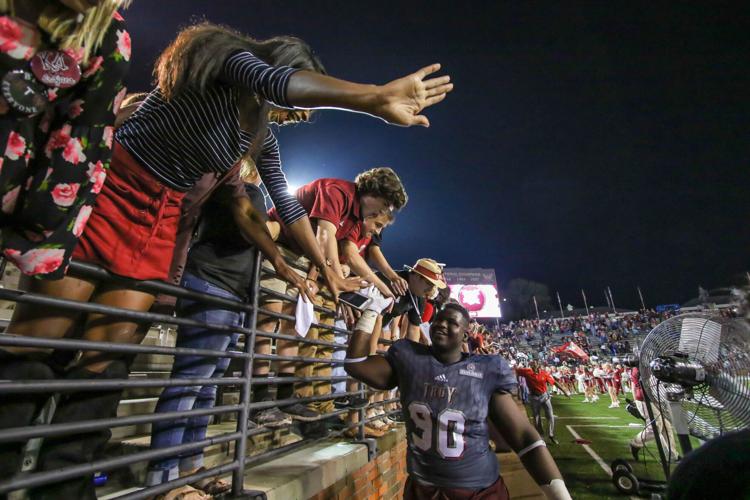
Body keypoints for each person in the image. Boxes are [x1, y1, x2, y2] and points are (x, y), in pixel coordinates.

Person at [1, 21, 452, 495]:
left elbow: (286, 203)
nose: (290, 110)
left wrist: (323, 271)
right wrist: (374, 97)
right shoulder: (224, 56)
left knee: (107, 352)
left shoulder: (258, 135)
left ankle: (64, 485)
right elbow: (279, 83)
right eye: (296, 97)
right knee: (41, 333)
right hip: (113, 190)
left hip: (162, 218)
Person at [345, 303, 572, 499]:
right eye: (438, 320)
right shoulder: (410, 359)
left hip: (477, 491)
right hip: (424, 490)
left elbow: (523, 437)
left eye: (451, 322)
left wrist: (560, 496)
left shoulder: (486, 370)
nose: (442, 324)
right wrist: (371, 312)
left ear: (465, 335)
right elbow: (356, 364)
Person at [145, 160, 271, 498]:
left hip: (231, 292)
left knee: (207, 387)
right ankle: (163, 479)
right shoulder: (234, 190)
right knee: (190, 383)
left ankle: (190, 467)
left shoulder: (244, 191)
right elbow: (250, 229)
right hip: (212, 283)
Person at [515, 361, 570, 445]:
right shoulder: (527, 371)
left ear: (538, 365)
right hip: (533, 397)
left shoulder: (544, 373)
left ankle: (551, 435)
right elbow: (516, 370)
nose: (533, 366)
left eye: (535, 365)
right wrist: (517, 380)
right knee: (537, 418)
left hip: (544, 396)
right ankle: (541, 436)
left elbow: (554, 382)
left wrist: (565, 391)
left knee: (550, 416)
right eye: (532, 365)